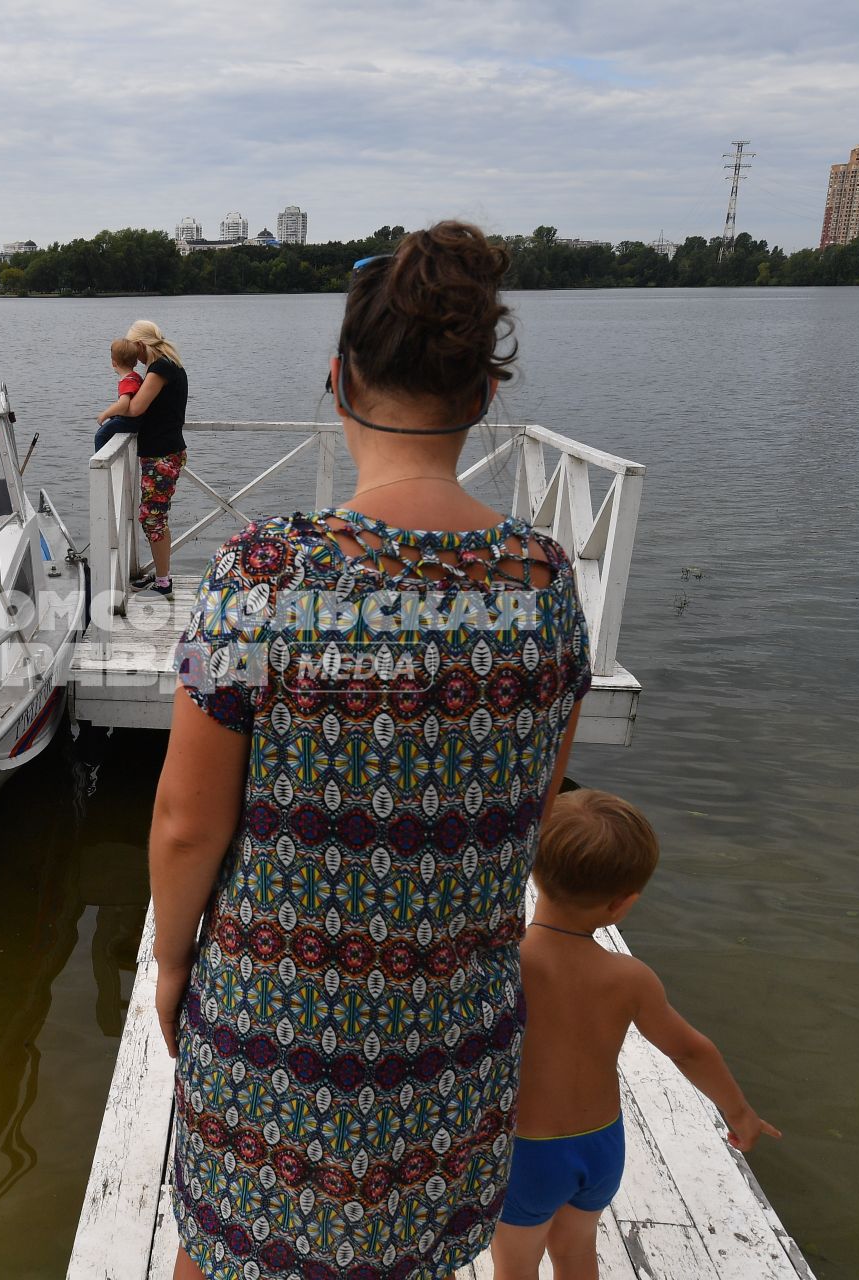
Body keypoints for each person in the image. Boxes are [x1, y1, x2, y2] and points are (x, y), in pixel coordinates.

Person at [150, 222, 592, 1280]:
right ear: (484, 393)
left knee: (219, 1253)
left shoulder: (263, 573)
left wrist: (171, 961)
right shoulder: (544, 581)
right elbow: (532, 808)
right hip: (451, 1037)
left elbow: (185, 819)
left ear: (338, 378)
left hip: (273, 1030)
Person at [492, 789, 779, 1280]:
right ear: (623, 904)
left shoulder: (505, 966)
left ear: (533, 872)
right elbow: (691, 1049)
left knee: (517, 1263)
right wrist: (740, 1112)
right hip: (602, 1144)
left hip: (529, 1151)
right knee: (577, 1249)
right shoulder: (631, 978)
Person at [106, 319, 188, 595]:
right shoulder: (170, 364)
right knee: (155, 516)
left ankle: (164, 582)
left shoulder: (160, 368)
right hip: (165, 451)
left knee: (153, 518)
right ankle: (161, 576)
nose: (133, 354)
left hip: (162, 455)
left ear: (141, 345)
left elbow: (137, 408)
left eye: (133, 348)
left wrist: (113, 409)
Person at [93, 337, 144, 454]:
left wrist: (105, 414)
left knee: (101, 435)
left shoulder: (127, 381)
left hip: (130, 422)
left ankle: (101, 464)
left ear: (113, 362)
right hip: (137, 420)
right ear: (135, 362)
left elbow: (123, 405)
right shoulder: (136, 377)